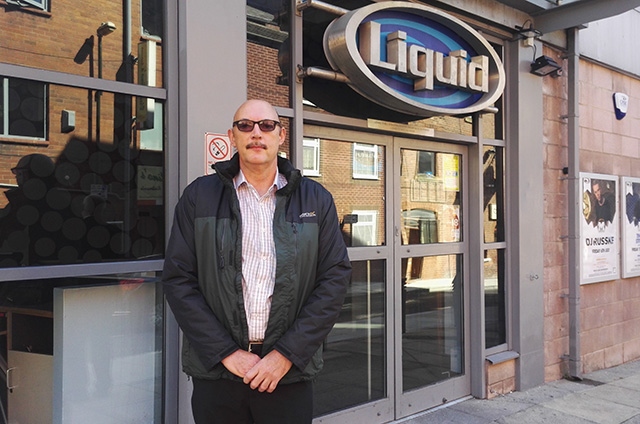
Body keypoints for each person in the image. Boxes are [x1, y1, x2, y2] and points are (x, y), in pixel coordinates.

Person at [162, 99, 351, 424]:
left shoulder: (316, 199)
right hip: (218, 374)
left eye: (266, 125)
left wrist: (286, 355)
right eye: (245, 125)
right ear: (232, 136)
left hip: (287, 374)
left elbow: (333, 281)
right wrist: (226, 353)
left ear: (281, 135)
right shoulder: (199, 197)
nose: (256, 133)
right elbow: (179, 280)